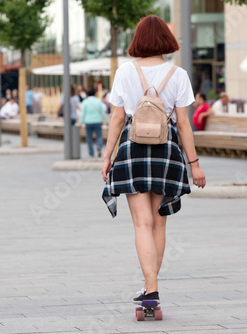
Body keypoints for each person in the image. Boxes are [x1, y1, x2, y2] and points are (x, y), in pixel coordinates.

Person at [101, 15, 206, 306]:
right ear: (166, 40)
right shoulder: (179, 74)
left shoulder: (124, 72)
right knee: (159, 224)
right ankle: (151, 287)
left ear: (138, 39)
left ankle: (151, 288)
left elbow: (118, 118)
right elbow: (184, 124)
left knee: (141, 224)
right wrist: (194, 164)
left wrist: (107, 155)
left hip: (133, 149)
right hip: (167, 149)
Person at [78, 88, 109, 158]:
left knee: (89, 138)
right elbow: (102, 112)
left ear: (87, 94)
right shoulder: (98, 101)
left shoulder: (85, 102)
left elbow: (83, 114)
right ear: (95, 94)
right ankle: (99, 146)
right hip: (97, 121)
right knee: (99, 136)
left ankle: (91, 153)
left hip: (88, 122)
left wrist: (80, 123)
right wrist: (106, 121)